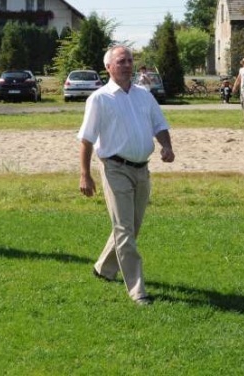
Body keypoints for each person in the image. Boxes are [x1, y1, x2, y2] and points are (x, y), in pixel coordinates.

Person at [77, 45, 175, 306]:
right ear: (108, 67)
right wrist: (85, 175)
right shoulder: (99, 99)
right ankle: (137, 290)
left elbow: (160, 125)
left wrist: (167, 146)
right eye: (121, 61)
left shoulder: (144, 95)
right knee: (124, 229)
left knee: (131, 227)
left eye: (130, 61)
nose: (127, 65)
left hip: (142, 169)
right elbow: (86, 140)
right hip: (114, 168)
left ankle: (103, 268)